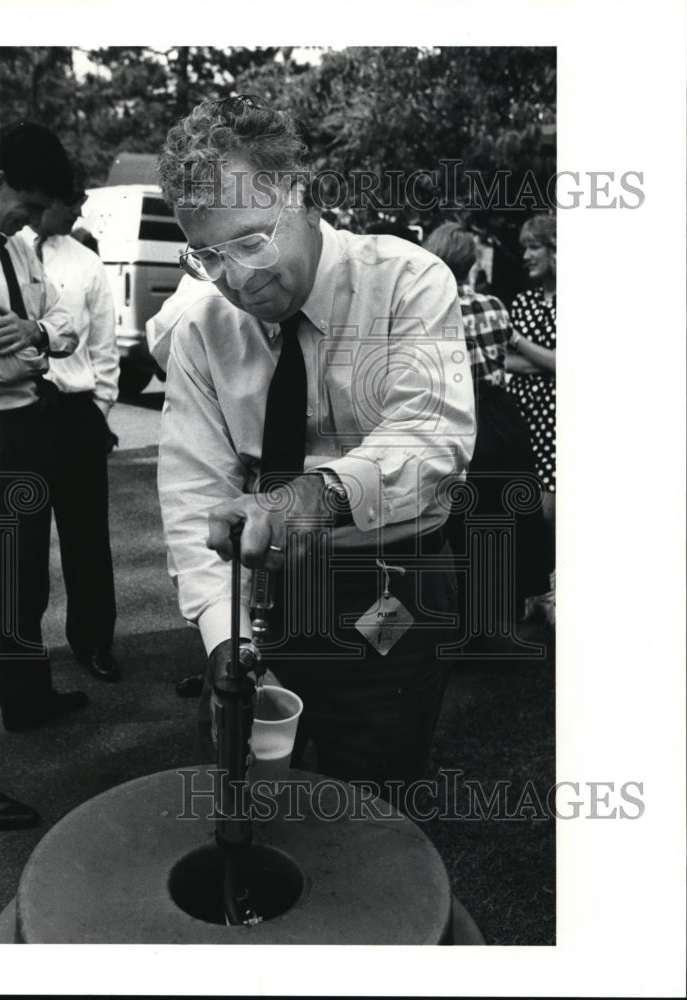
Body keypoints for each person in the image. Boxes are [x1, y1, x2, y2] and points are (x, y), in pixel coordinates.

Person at [155, 95, 475, 802]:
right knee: (255, 792)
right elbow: (192, 496)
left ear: (300, 194)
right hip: (262, 590)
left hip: (393, 583)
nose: (236, 279)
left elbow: (431, 435)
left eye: (250, 241)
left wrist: (313, 499)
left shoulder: (408, 282)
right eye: (207, 256)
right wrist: (226, 643)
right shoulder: (201, 330)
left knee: (377, 802)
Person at [0, 121, 88, 829]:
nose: (32, 224)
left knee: (27, 576)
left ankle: (26, 696)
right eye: (25, 205)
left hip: (26, 427)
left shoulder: (21, 251)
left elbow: (59, 325)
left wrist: (39, 337)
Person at [424, 222, 553, 620]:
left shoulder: (428, 309)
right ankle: (498, 611)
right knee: (501, 519)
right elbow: (506, 353)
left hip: (455, 415)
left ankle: (457, 613)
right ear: (469, 263)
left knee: (458, 521)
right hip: (501, 417)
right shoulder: (495, 306)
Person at [21, 184, 122, 681]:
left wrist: (100, 410)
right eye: (71, 204)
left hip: (77, 412)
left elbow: (104, 342)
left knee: (87, 538)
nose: (79, 213)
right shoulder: (9, 253)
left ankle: (94, 642)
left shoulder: (85, 262)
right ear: (44, 200)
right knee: (24, 540)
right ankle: (22, 658)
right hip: (24, 411)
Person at [506, 215, 557, 622]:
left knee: (551, 510)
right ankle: (531, 589)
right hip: (523, 415)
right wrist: (548, 361)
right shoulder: (521, 301)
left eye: (533, 247)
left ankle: (551, 587)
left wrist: (522, 342)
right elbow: (505, 362)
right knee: (526, 507)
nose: (526, 256)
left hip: (557, 417)